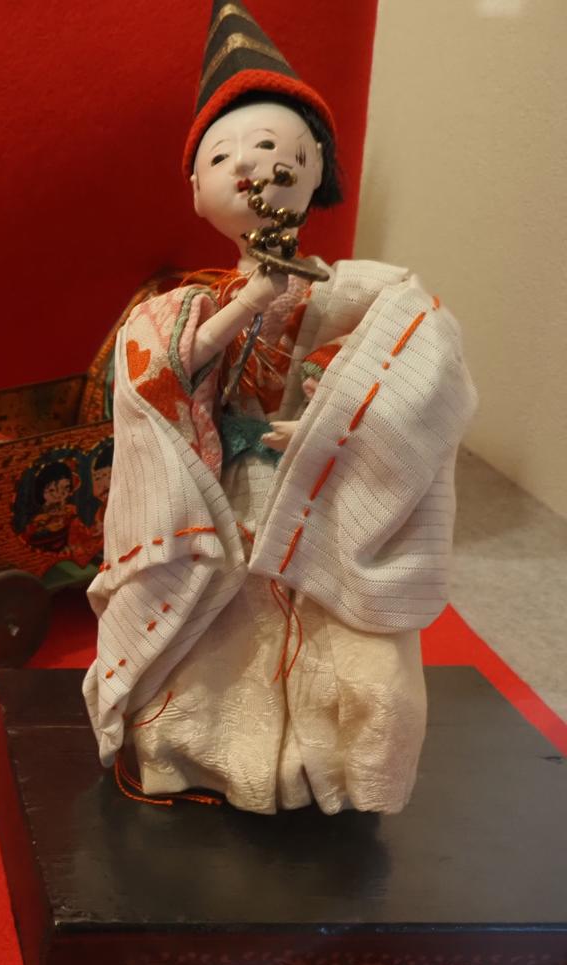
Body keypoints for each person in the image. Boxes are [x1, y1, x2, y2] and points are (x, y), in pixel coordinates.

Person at [82, 1, 476, 814]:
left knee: (329, 635)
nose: (249, 166)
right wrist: (248, 300)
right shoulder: (187, 303)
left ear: (314, 169)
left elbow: (414, 350)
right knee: (215, 631)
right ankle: (196, 750)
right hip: (222, 492)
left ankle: (316, 766)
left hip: (316, 487)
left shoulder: (357, 288)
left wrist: (336, 418)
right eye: (223, 154)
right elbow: (160, 371)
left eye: (271, 148)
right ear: (196, 192)